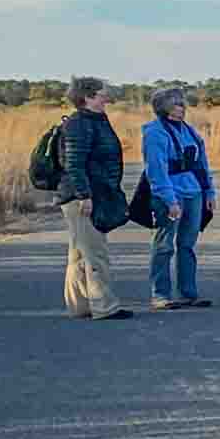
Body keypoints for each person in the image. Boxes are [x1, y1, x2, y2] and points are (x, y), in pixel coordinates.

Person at [56, 76, 131, 322]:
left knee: (80, 253)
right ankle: (104, 306)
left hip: (90, 193)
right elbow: (74, 163)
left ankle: (80, 307)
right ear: (87, 97)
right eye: (101, 94)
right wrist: (84, 195)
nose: (106, 98)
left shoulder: (95, 120)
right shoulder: (79, 124)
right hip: (82, 196)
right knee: (96, 252)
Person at [140, 85, 216, 311]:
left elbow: (201, 164)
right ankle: (160, 295)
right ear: (163, 108)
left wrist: (209, 192)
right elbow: (156, 169)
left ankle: (188, 293)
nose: (182, 108)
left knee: (187, 245)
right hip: (170, 195)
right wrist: (169, 200)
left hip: (194, 193)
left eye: (182, 103)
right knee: (164, 245)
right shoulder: (155, 132)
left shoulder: (189, 131)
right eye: (176, 104)